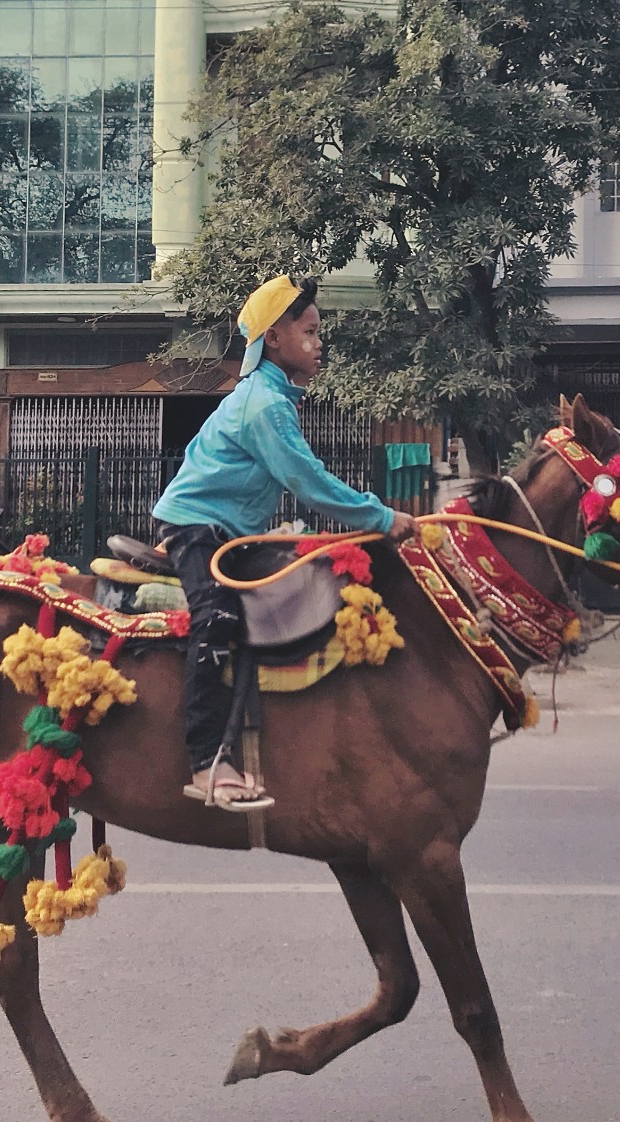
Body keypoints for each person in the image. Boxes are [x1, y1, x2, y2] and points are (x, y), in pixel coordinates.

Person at [152, 276, 416, 811]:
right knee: (219, 616)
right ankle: (205, 761)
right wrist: (383, 517)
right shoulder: (264, 406)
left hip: (228, 531)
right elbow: (308, 482)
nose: (321, 343)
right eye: (311, 331)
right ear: (274, 338)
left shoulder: (272, 398)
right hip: (197, 528)